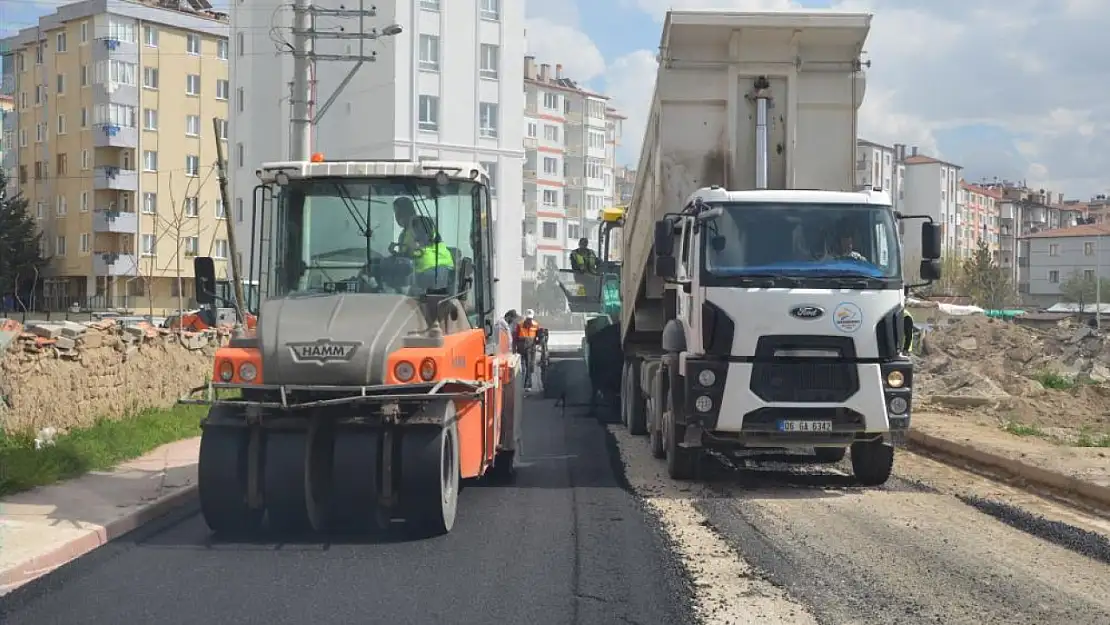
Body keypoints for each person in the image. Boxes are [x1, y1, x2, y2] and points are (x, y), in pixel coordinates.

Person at [409, 216, 455, 292]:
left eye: (415, 234)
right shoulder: (442, 248)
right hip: (445, 290)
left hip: (429, 290)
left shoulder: (421, 254)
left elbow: (412, 256)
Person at [513, 309, 541, 390]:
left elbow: (538, 337)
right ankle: (523, 385)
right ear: (525, 317)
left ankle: (528, 385)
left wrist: (539, 340)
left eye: (530, 319)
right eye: (528, 318)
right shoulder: (520, 325)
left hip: (531, 348)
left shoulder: (536, 325)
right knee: (522, 368)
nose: (529, 320)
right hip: (521, 348)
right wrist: (514, 348)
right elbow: (515, 338)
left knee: (530, 366)